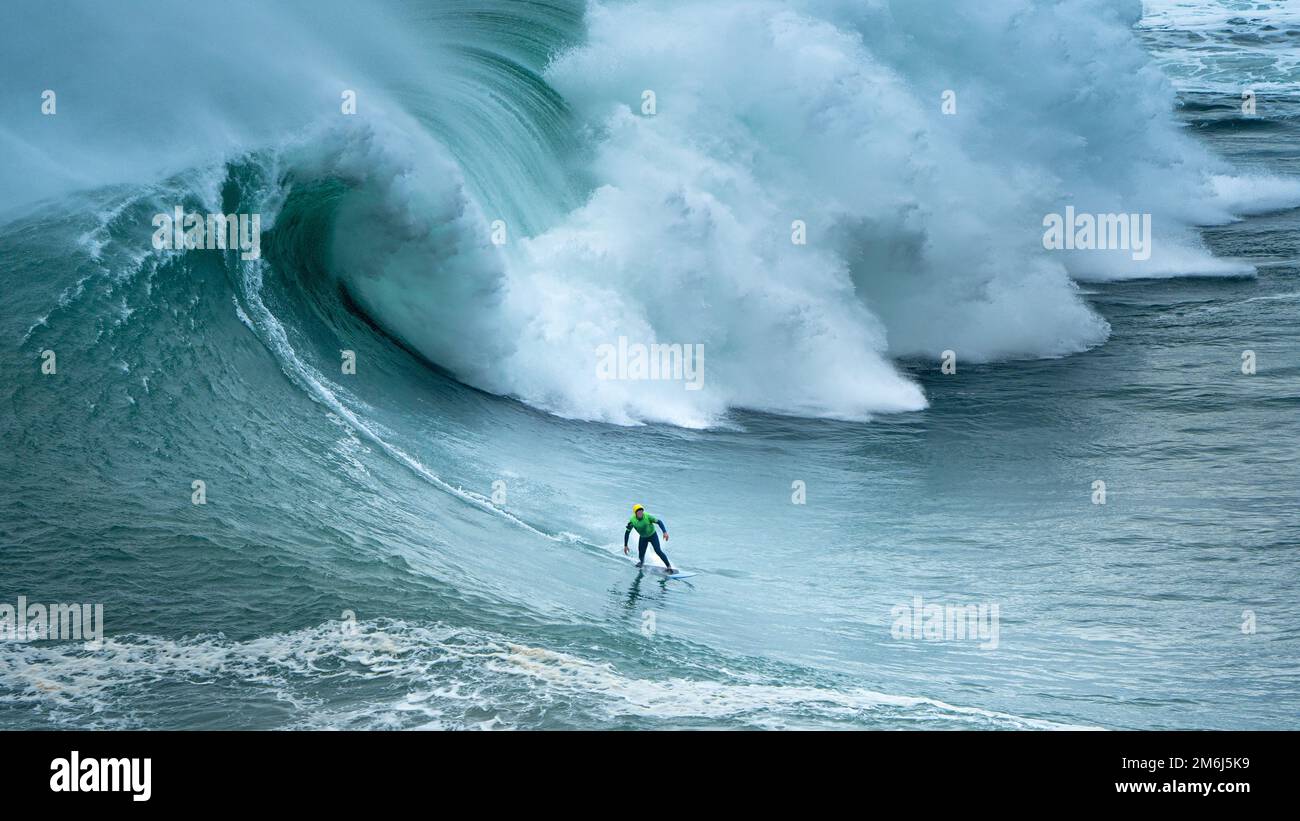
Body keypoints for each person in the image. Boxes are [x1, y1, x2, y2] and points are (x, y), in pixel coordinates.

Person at [623, 504, 673, 571]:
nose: (640, 513)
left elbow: (659, 522)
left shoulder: (648, 516)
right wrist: (625, 545)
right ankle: (642, 562)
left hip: (653, 536)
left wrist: (664, 532)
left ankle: (669, 566)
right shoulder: (632, 521)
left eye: (641, 511)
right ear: (635, 513)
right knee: (641, 554)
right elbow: (627, 532)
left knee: (658, 551)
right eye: (638, 512)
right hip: (643, 538)